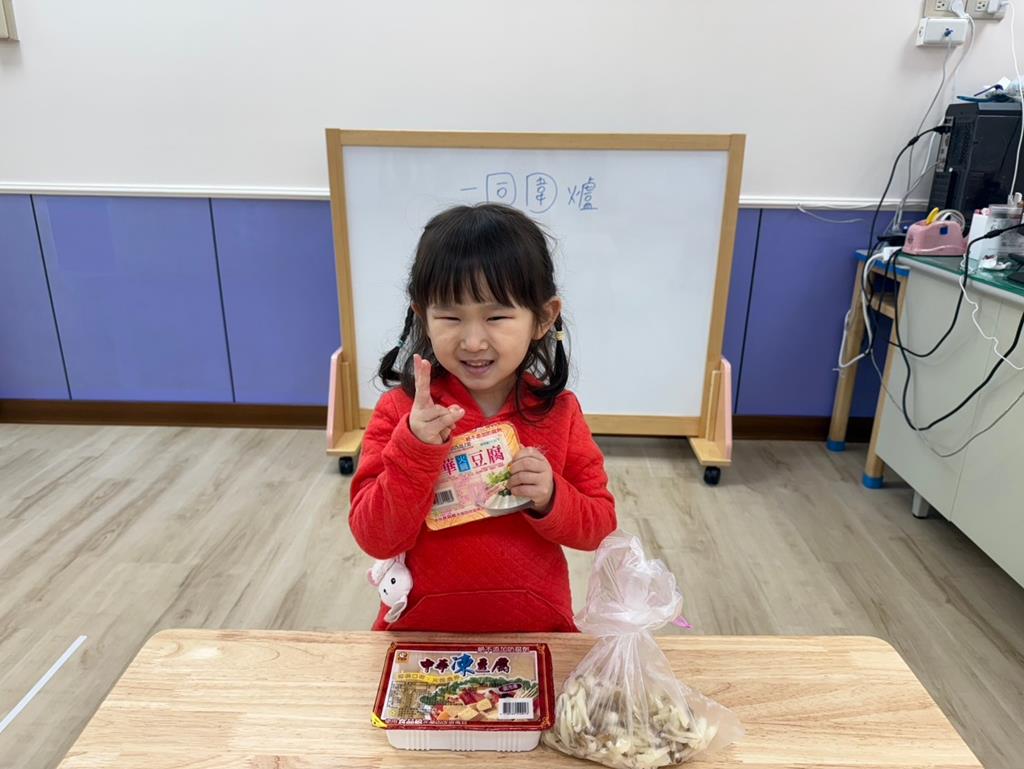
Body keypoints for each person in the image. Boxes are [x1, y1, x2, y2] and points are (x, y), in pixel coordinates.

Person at [349, 203, 616, 632]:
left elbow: (599, 524)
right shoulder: (401, 412)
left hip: (535, 632)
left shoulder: (559, 412)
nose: (473, 341)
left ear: (543, 318)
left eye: (496, 316)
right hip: (422, 636)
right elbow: (375, 537)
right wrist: (414, 451)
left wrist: (551, 497)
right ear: (423, 316)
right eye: (450, 317)